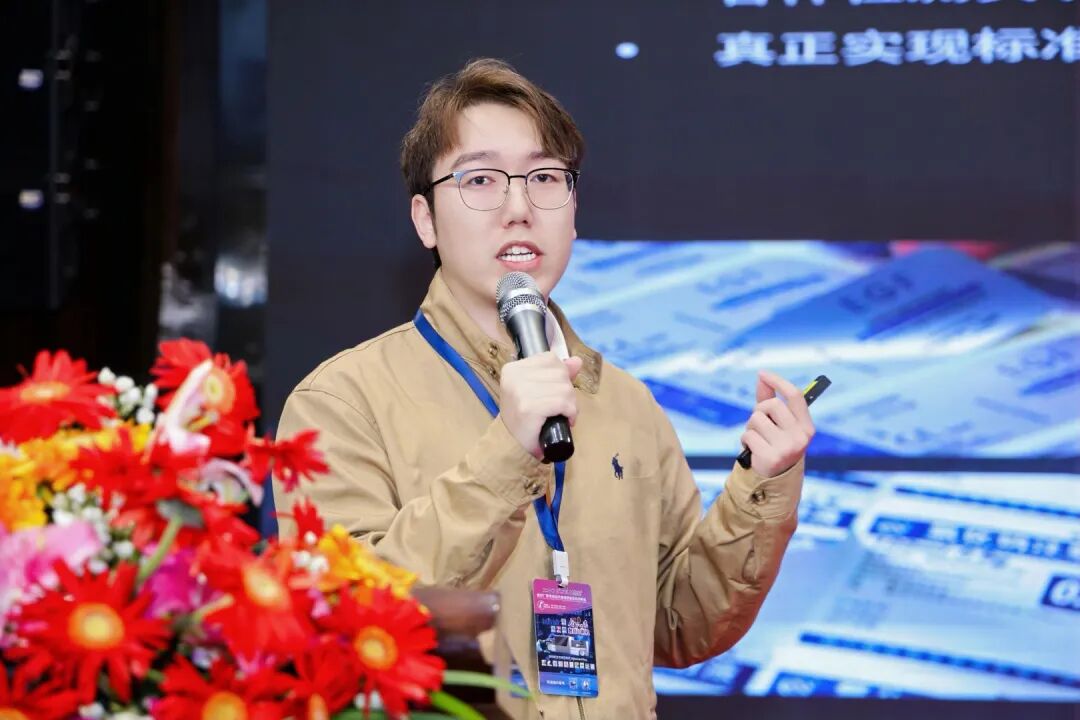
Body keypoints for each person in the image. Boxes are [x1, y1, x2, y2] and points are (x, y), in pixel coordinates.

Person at [274, 58, 815, 720]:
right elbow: (351, 622)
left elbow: (681, 626)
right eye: (480, 179)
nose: (520, 208)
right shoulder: (340, 402)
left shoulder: (625, 403)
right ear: (425, 219)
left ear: (573, 210)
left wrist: (762, 485)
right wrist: (508, 448)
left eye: (545, 178)